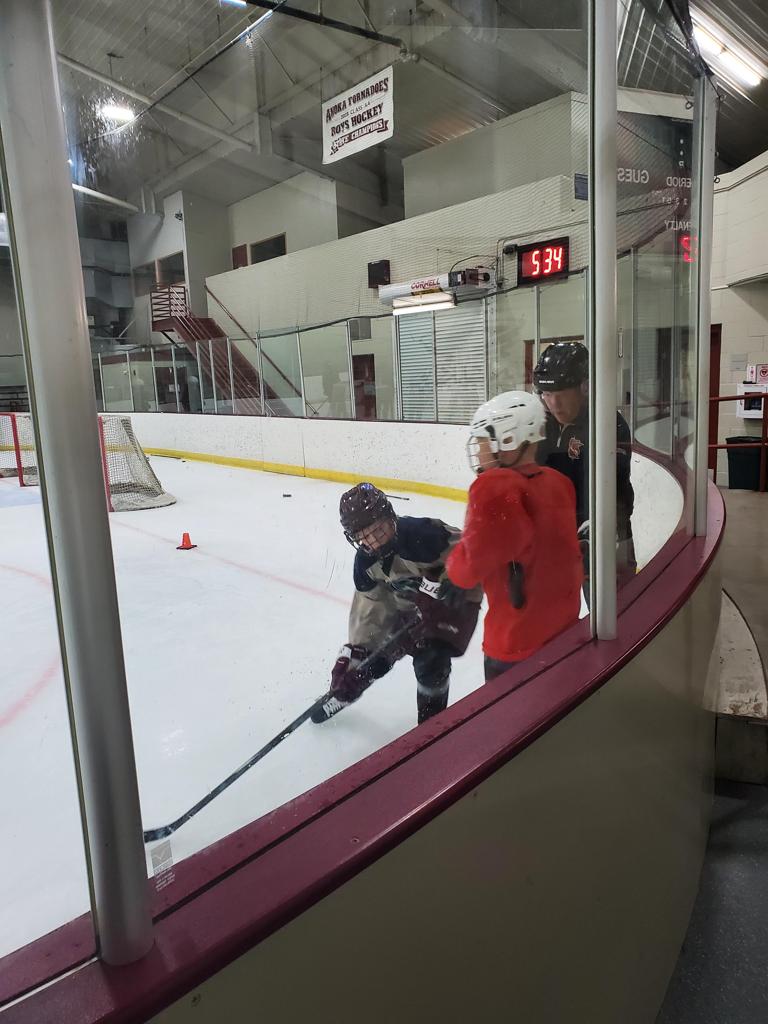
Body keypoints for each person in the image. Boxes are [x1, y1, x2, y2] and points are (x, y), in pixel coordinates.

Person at [311, 483, 481, 725]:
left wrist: (459, 578)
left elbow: (474, 551)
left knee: (430, 659)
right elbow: (371, 613)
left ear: (390, 518)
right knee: (375, 659)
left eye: (377, 531)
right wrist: (359, 660)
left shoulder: (425, 535)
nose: (373, 542)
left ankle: (431, 726)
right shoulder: (365, 565)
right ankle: (347, 689)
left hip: (453, 602)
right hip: (411, 606)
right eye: (363, 538)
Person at [442, 391, 583, 681]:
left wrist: (454, 563)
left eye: (482, 442)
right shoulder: (559, 483)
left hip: (515, 645)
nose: (478, 452)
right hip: (564, 631)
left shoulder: (495, 488)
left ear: (506, 441)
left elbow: (467, 570)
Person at [532, 341, 636, 584]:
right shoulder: (539, 423)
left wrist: (603, 527)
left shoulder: (608, 425)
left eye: (561, 395)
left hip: (603, 535)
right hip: (554, 536)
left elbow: (615, 488)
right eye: (547, 395)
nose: (554, 404)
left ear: (585, 388)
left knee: (620, 611)